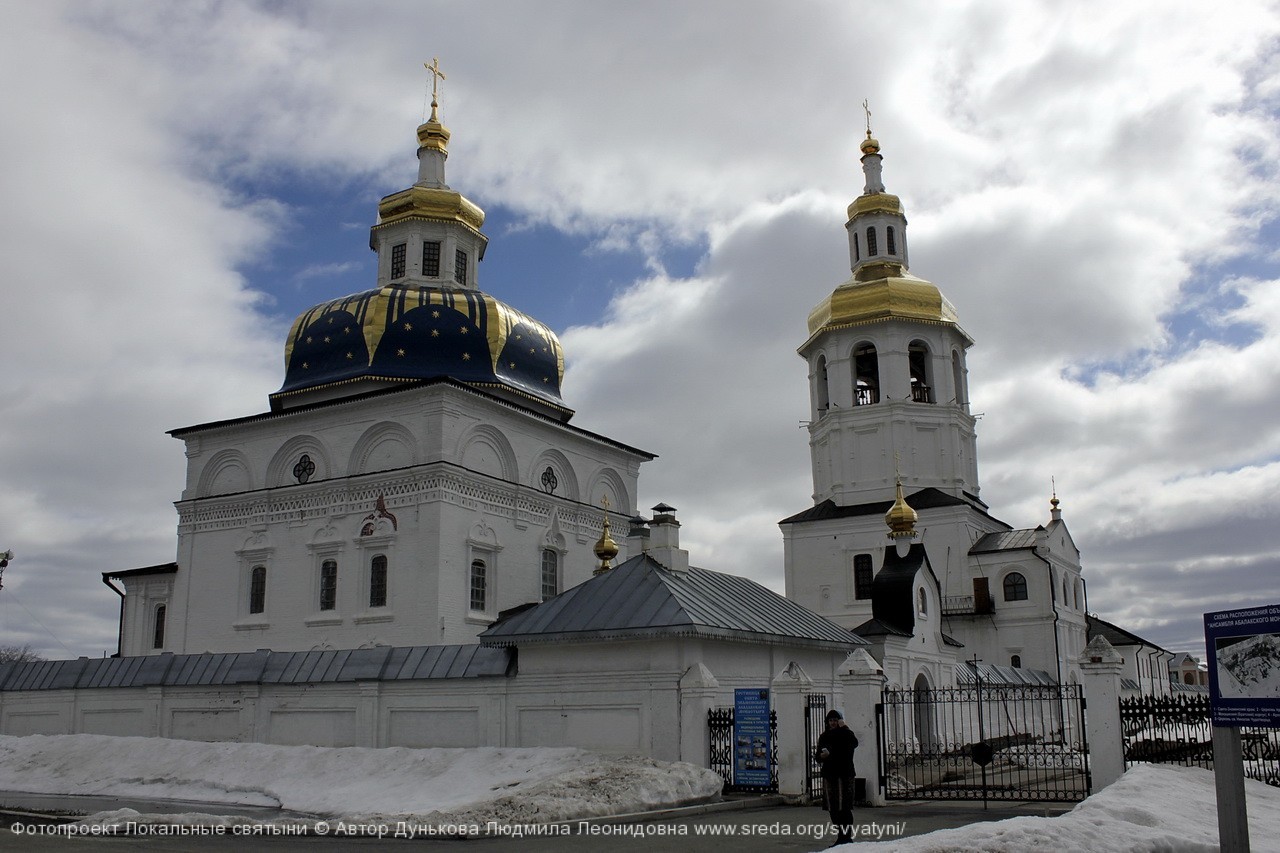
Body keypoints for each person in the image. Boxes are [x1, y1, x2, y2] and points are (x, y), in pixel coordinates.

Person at [814, 707, 858, 845]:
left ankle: (847, 837)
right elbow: (817, 756)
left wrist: (844, 726)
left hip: (844, 774)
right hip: (830, 774)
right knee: (833, 807)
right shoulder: (824, 736)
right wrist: (822, 756)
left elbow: (854, 742)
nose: (832, 723)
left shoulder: (845, 734)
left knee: (844, 807)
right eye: (830, 720)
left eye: (835, 720)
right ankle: (840, 836)